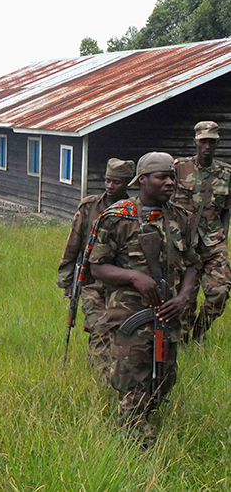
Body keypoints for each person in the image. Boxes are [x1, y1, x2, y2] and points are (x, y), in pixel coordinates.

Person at [87, 152, 199, 444]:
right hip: (130, 316)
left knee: (164, 379)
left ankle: (146, 414)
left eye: (172, 176)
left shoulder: (180, 218)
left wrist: (185, 297)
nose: (169, 183)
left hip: (168, 313)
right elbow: (97, 266)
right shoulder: (119, 218)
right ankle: (135, 439)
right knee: (132, 377)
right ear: (143, 180)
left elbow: (192, 264)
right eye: (162, 177)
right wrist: (134, 277)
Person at [56, 158, 134, 375]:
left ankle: (109, 371)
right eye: (108, 180)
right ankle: (102, 379)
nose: (110, 186)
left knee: (117, 330)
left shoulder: (133, 211)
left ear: (127, 183)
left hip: (119, 281)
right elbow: (73, 244)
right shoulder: (89, 207)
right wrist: (68, 281)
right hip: (89, 280)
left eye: (116, 182)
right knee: (98, 327)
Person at [172, 121, 231, 342]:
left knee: (220, 292)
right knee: (185, 299)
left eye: (212, 142)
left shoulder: (226, 173)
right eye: (204, 141)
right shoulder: (179, 168)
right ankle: (185, 339)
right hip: (184, 244)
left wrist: (223, 235)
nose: (207, 146)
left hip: (213, 243)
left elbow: (226, 209)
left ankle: (198, 333)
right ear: (195, 141)